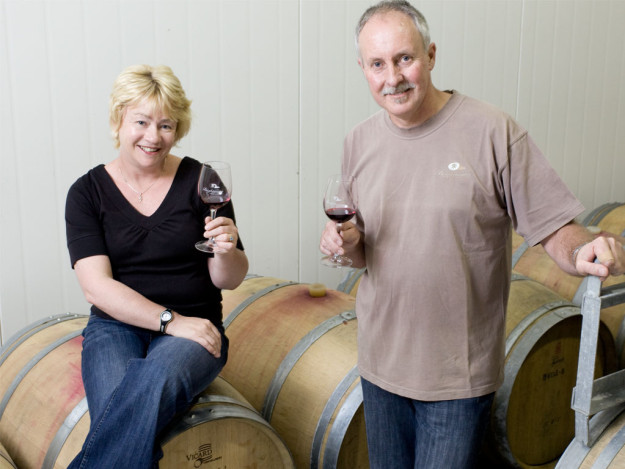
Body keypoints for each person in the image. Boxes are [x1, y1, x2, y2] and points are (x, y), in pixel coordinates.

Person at [319, 1, 625, 468]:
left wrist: (583, 248)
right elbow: (364, 248)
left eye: (405, 58)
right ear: (362, 69)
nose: (392, 78)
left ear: (431, 55)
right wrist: (345, 243)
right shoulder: (358, 141)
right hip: (380, 365)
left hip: (457, 377)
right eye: (377, 64)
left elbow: (553, 226)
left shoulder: (492, 131)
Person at [65, 64, 248, 468]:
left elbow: (230, 279)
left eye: (166, 125)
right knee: (126, 416)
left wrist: (226, 250)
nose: (153, 137)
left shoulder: (203, 181)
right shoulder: (86, 193)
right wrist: (169, 321)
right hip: (116, 327)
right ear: (118, 120)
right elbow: (96, 287)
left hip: (196, 325)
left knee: (149, 383)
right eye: (142, 122)